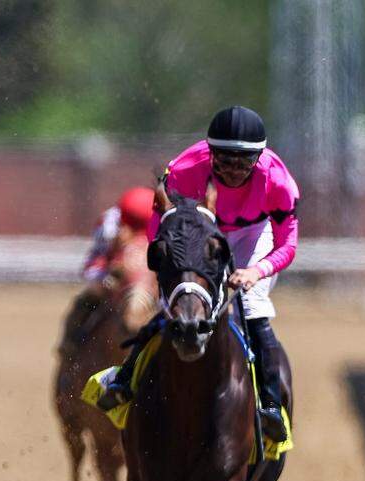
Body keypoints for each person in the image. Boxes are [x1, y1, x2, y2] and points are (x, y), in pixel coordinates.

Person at [96, 106, 296, 442]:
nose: (233, 171)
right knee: (176, 303)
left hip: (253, 234)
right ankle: (125, 379)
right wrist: (166, 258)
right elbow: (160, 221)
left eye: (243, 162)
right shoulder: (186, 170)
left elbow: (287, 244)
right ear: (210, 153)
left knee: (252, 306)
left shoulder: (278, 181)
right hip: (198, 227)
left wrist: (255, 271)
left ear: (259, 157)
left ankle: (272, 405)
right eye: (224, 161)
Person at [59, 187, 155, 355]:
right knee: (91, 294)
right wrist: (107, 276)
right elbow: (98, 258)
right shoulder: (109, 225)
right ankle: (70, 342)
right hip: (110, 274)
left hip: (148, 281)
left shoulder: (165, 222)